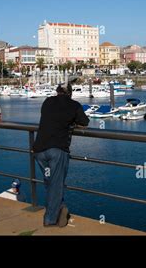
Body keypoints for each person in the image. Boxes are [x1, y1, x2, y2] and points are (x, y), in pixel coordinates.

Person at [33, 82, 89, 227]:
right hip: (57, 150)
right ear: (70, 93)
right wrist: (72, 123)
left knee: (50, 181)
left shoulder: (47, 102)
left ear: (57, 91)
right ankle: (50, 219)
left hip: (39, 150)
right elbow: (85, 122)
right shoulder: (74, 105)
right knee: (56, 184)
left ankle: (61, 208)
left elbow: (50, 117)